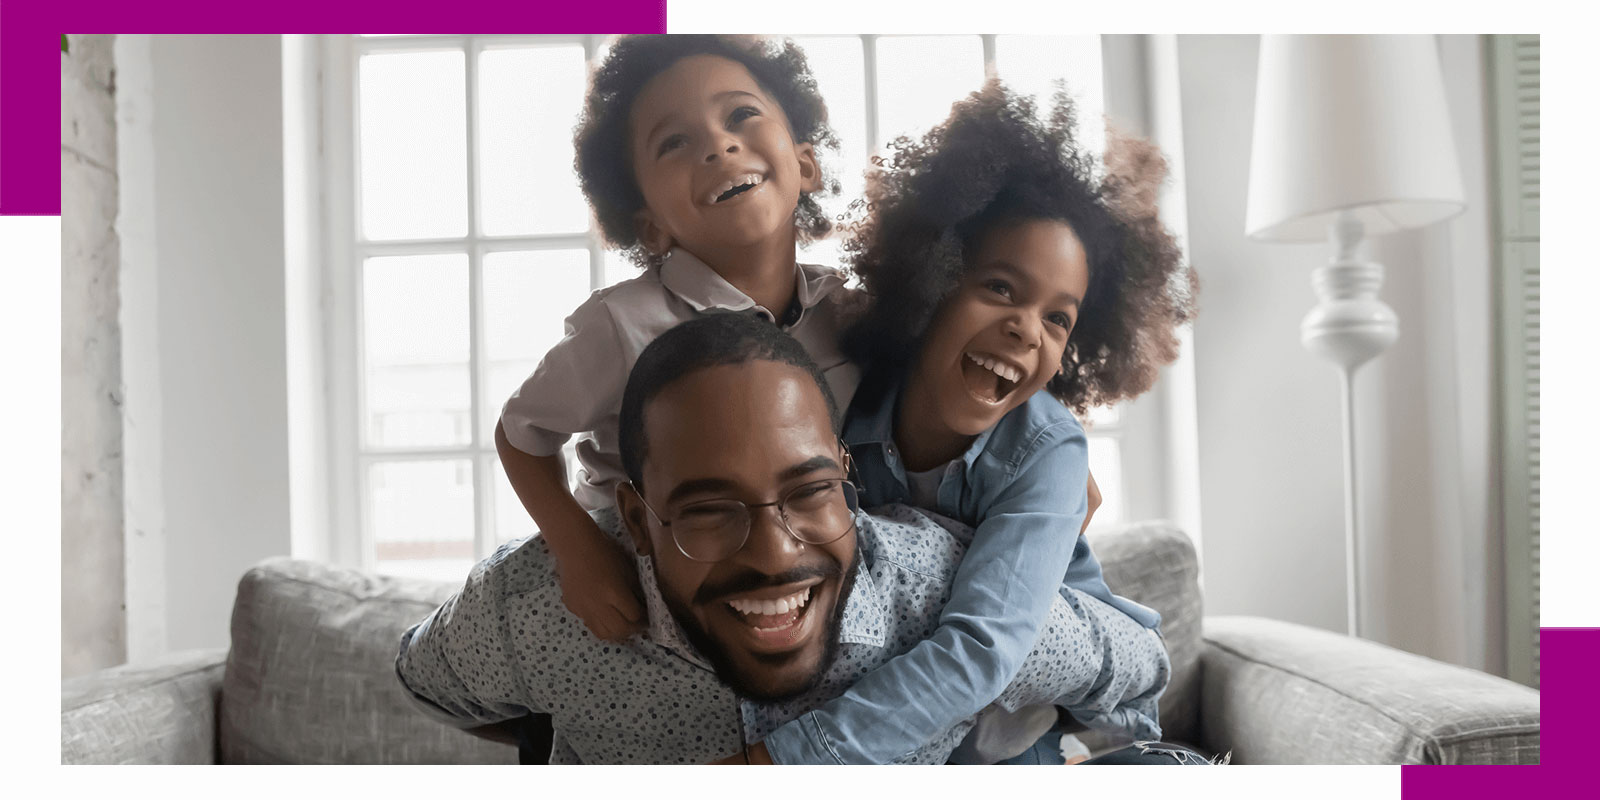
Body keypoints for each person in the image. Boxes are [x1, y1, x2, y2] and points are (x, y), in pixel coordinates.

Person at [395, 313, 1172, 764]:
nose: (772, 555)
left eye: (808, 492)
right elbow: (429, 682)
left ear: (848, 476)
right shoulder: (529, 608)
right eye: (707, 509)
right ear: (635, 520)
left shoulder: (941, 591)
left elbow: (1140, 666)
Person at [748, 80, 1199, 765]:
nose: (1025, 329)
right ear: (932, 278)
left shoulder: (1045, 448)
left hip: (1029, 727)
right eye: (1000, 288)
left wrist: (781, 765)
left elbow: (983, 648)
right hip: (913, 719)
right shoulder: (844, 412)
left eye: (1058, 318)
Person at [494, 35, 862, 644]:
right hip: (634, 589)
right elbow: (521, 435)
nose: (719, 144)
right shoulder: (622, 325)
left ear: (804, 163)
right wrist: (577, 552)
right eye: (674, 143)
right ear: (649, 224)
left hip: (780, 577)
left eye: (741, 114)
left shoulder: (848, 313)